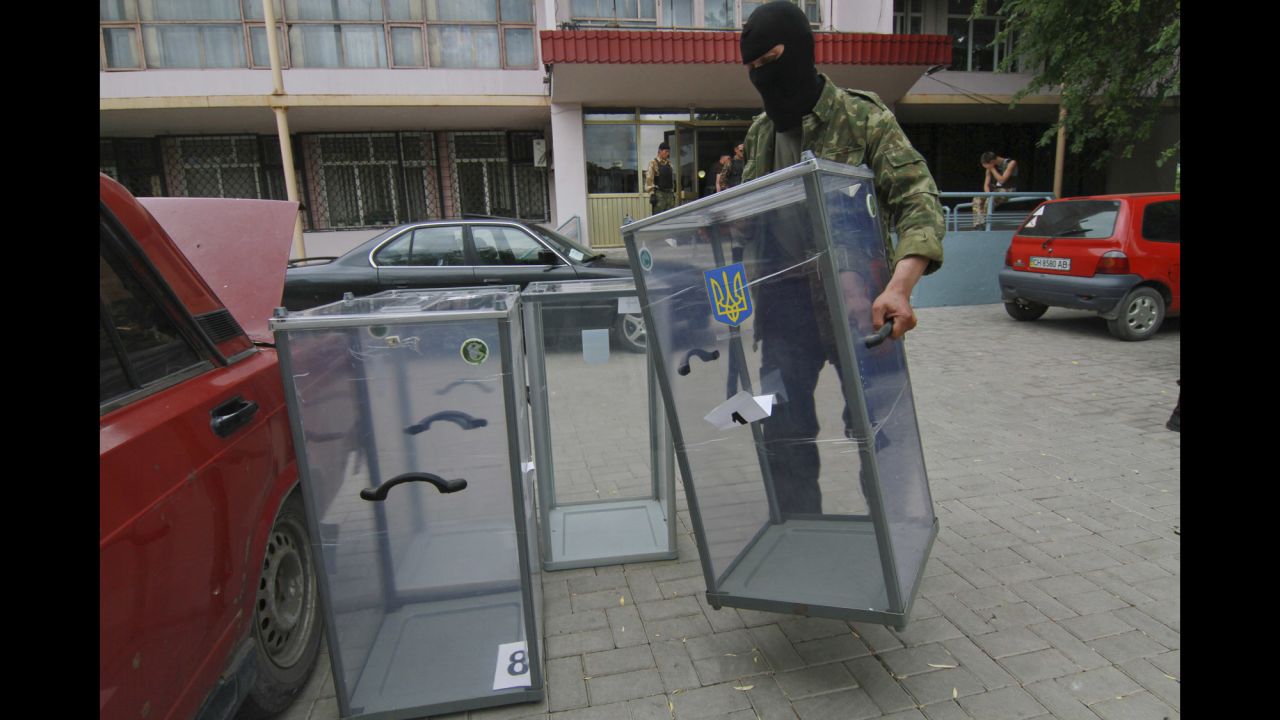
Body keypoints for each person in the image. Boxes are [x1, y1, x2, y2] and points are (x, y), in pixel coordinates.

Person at [736, 1, 945, 515]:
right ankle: (802, 536)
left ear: (804, 50)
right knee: (782, 430)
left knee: (878, 430)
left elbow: (919, 202)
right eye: (754, 69)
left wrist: (900, 286)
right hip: (783, 307)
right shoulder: (760, 135)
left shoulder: (863, 118)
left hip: (859, 307)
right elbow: (748, 220)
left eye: (775, 60)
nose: (766, 76)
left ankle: (892, 539)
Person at [973, 151, 1017, 228]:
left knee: (990, 200)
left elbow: (1002, 180)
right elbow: (986, 184)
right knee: (977, 198)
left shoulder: (1011, 163)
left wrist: (992, 169)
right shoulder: (990, 167)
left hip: (1008, 189)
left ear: (992, 162)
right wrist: (988, 194)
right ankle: (979, 224)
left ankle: (985, 224)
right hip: (994, 191)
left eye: (988, 166)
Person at [646, 141, 677, 214]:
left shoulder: (669, 163)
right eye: (666, 151)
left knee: (670, 216)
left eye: (668, 152)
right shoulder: (653, 163)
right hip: (659, 194)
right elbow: (649, 179)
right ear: (660, 151)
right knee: (659, 217)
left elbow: (671, 179)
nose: (668, 154)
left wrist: (673, 193)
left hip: (669, 194)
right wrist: (652, 194)